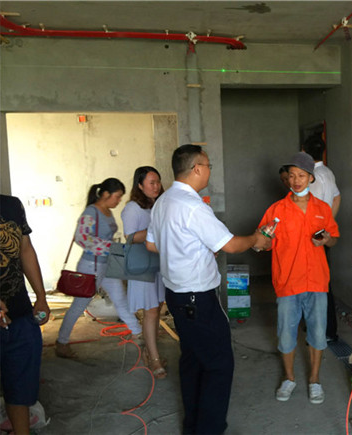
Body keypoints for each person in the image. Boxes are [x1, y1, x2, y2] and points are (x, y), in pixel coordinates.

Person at [146, 144, 270, 435]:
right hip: (197, 298)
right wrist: (256, 239)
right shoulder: (193, 206)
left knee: (192, 360)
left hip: (176, 295)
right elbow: (231, 245)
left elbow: (152, 244)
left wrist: (193, 251)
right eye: (208, 166)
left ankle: (193, 426)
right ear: (197, 168)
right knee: (218, 365)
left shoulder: (163, 201)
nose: (209, 171)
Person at [259, 151, 340, 405]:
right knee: (286, 334)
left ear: (311, 178)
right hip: (288, 282)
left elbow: (334, 239)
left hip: (316, 280)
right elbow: (262, 242)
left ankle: (315, 380)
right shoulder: (276, 210)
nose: (296, 181)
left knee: (318, 333)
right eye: (292, 176)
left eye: (301, 176)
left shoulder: (322, 209)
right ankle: (289, 378)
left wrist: (327, 239)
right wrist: (263, 239)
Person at [56, 178, 142, 358]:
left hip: (107, 264)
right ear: (105, 194)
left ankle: (138, 333)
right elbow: (81, 238)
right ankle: (61, 343)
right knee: (79, 305)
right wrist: (111, 247)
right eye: (117, 196)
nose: (119, 201)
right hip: (91, 266)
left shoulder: (108, 212)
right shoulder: (91, 212)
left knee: (120, 299)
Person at [0, 194, 51, 434]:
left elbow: (26, 250)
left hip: (20, 315)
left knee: (20, 388)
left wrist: (40, 296)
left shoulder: (11, 205)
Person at [121, 166, 167, 379]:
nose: (156, 186)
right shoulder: (132, 208)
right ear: (140, 185)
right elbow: (130, 237)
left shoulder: (160, 204)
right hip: (143, 264)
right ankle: (154, 359)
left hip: (159, 262)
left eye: (158, 181)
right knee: (150, 310)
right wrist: (155, 230)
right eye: (151, 182)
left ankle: (151, 351)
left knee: (156, 308)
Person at [303, 135, 341, 342]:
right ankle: (325, 329)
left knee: (317, 284)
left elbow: (309, 208)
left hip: (313, 236)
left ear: (304, 151)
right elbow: (337, 197)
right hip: (323, 234)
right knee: (322, 281)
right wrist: (329, 223)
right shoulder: (327, 172)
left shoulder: (313, 176)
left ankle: (325, 331)